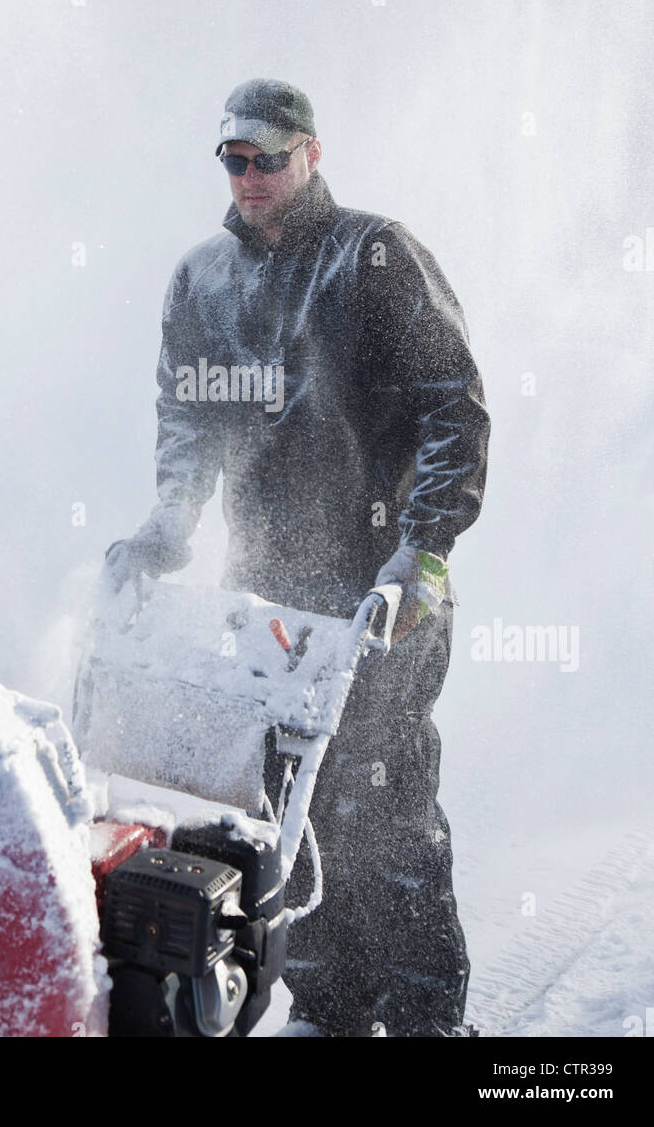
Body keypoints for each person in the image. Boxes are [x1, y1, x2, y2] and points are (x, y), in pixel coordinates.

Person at [104, 78, 490, 1037]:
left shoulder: (373, 257)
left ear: (311, 154)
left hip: (378, 589)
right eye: (233, 159)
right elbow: (190, 421)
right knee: (284, 809)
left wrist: (424, 553)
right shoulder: (202, 282)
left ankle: (424, 1017)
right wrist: (169, 522)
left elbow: (455, 409)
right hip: (268, 596)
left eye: (268, 158)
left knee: (384, 804)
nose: (250, 176)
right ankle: (328, 1007)